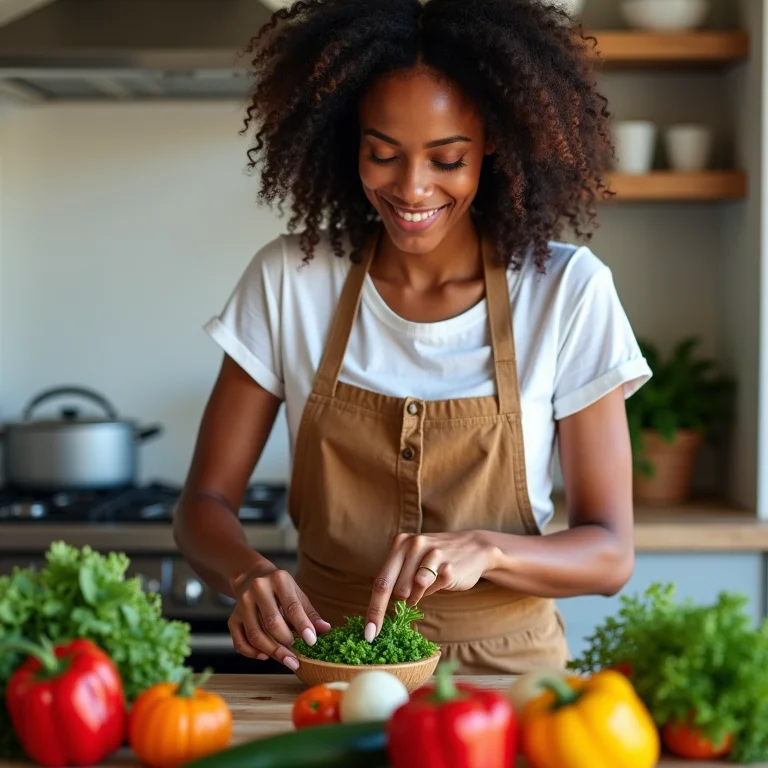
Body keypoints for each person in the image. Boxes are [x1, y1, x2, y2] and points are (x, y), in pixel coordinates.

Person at [173, 0, 652, 675]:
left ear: (493, 140)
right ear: (351, 141)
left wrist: (490, 549)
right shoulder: (291, 280)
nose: (412, 187)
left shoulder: (566, 291)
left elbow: (610, 554)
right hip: (335, 666)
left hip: (508, 674)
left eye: (447, 159)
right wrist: (247, 574)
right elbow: (202, 505)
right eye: (383, 155)